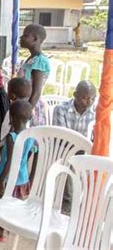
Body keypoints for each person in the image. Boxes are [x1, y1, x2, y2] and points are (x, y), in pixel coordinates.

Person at [0, 100, 38, 242]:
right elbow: (33, 153)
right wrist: (31, 177)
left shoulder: (12, 137)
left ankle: (0, 231)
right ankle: (7, 228)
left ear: (11, 118)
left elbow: (10, 162)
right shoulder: (30, 136)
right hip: (22, 178)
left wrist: (0, 180)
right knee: (12, 205)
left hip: (8, 179)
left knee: (4, 205)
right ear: (29, 119)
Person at [53, 80, 96, 214]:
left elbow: (93, 140)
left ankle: (82, 203)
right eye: (85, 97)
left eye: (92, 98)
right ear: (75, 94)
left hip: (84, 151)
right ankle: (68, 201)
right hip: (64, 148)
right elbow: (62, 137)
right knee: (71, 160)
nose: (89, 101)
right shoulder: (61, 109)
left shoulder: (94, 114)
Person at [18, 24, 51, 126]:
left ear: (35, 39)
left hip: (31, 106)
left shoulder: (39, 61)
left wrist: (26, 112)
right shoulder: (31, 59)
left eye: (25, 35)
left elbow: (36, 91)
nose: (21, 37)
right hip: (23, 104)